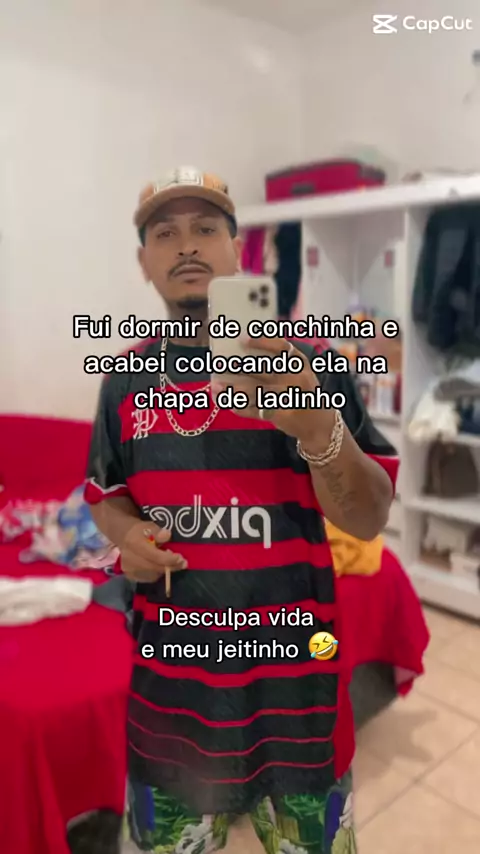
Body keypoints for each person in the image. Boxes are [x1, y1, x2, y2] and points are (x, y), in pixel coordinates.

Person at [85, 167, 398, 854]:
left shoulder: (312, 364)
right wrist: (126, 537)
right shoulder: (123, 381)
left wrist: (317, 427)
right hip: (170, 714)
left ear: (238, 251)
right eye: (164, 234)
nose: (185, 245)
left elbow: (369, 518)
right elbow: (107, 498)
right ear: (143, 263)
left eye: (206, 228)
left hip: (299, 707)